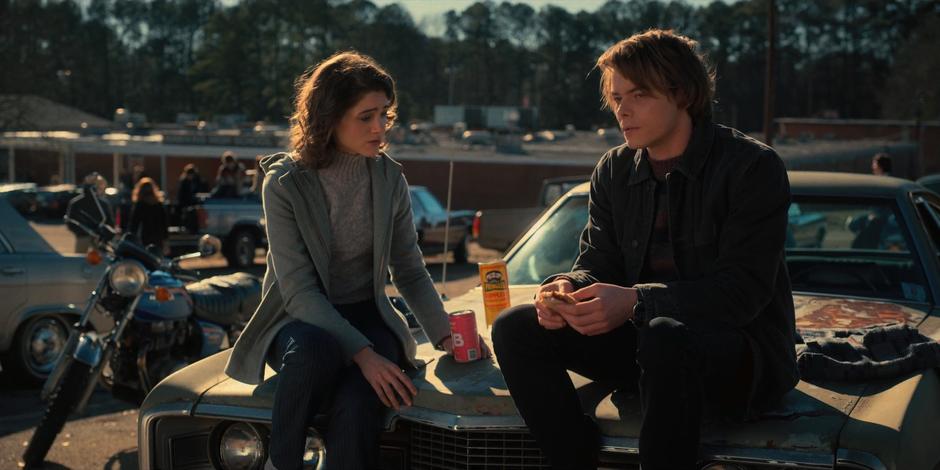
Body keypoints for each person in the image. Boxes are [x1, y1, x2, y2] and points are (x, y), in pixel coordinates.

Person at [492, 29, 799, 470]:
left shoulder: (752, 167)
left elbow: (742, 292)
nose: (623, 110)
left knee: (663, 333)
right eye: (616, 98)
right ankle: (574, 458)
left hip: (739, 358)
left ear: (683, 94)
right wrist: (564, 288)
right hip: (647, 349)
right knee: (515, 326)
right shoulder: (614, 169)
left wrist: (635, 301)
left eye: (638, 94)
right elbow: (598, 261)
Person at [223, 51, 489, 470]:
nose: (380, 127)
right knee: (318, 351)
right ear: (329, 118)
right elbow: (298, 291)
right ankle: (281, 461)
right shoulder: (285, 183)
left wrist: (446, 336)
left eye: (385, 114)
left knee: (366, 396)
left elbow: (410, 270)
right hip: (297, 321)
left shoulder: (389, 178)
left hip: (368, 314)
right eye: (366, 117)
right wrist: (364, 356)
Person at [67, 172, 114, 253]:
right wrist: (81, 232)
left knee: (100, 262)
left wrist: (106, 235)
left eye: (101, 186)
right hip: (84, 237)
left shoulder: (103, 203)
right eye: (98, 186)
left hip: (99, 239)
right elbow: (70, 221)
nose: (101, 188)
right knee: (80, 260)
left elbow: (109, 222)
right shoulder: (76, 203)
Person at [127, 177, 168, 253]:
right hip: (158, 235)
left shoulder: (140, 205)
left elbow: (134, 223)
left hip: (145, 235)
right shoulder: (158, 204)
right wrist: (165, 240)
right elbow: (164, 223)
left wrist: (131, 237)